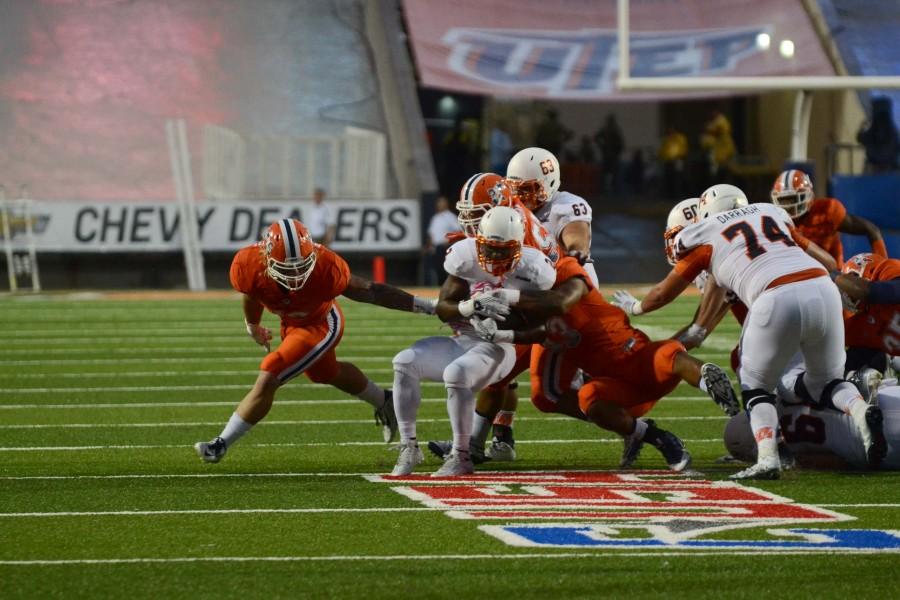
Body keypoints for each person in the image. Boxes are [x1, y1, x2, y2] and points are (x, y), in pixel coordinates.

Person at [610, 184, 882, 479]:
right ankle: (858, 411)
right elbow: (829, 263)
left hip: (775, 298)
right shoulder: (770, 214)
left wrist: (637, 308)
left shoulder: (706, 235)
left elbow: (666, 298)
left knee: (755, 385)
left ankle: (769, 458)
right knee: (826, 382)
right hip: (822, 289)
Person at [466, 254, 740, 472]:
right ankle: (655, 436)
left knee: (669, 354)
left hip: (634, 357)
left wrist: (510, 299)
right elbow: (527, 330)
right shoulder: (521, 301)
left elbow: (560, 301)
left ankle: (708, 381)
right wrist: (484, 319)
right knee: (587, 396)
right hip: (614, 383)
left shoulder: (564, 271)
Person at [194, 218, 437, 463]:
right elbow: (252, 293)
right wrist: (252, 325)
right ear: (266, 259)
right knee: (325, 372)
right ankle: (385, 401)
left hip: (321, 323)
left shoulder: (327, 266)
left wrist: (427, 306)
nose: (297, 274)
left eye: (302, 266)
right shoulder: (247, 265)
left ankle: (221, 443)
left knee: (271, 371)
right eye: (288, 268)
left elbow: (371, 291)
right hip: (290, 324)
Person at [390, 206, 556, 476]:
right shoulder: (465, 256)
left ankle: (462, 455)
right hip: (464, 339)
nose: (492, 255)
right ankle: (409, 446)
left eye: (502, 250)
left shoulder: (535, 268)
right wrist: (468, 308)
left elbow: (543, 328)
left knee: (456, 373)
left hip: (501, 347)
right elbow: (444, 306)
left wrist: (503, 330)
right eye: (488, 248)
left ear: (518, 246)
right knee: (404, 362)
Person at [427, 172, 559, 463]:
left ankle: (472, 444)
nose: (468, 222)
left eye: (475, 214)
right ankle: (497, 439)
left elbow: (528, 292)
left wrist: (491, 316)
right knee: (502, 376)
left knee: (507, 374)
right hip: (530, 298)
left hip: (544, 306)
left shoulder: (514, 234)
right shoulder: (507, 221)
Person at [486, 146, 596, 455]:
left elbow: (577, 238)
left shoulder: (566, 206)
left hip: (568, 303)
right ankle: (493, 437)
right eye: (516, 189)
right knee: (493, 363)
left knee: (550, 392)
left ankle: (631, 427)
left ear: (549, 183)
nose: (522, 196)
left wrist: (573, 255)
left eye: (529, 189)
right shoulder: (510, 209)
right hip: (531, 301)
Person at [724, 358, 895, 470]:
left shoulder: (783, 452)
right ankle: (856, 383)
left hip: (864, 448)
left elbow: (835, 462)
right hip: (878, 403)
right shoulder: (778, 396)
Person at [771, 169, 886, 267]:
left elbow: (871, 229)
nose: (788, 206)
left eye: (793, 199)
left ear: (808, 196)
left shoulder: (826, 211)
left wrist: (882, 267)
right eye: (783, 200)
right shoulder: (773, 220)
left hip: (832, 275)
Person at [833, 252, 900, 375]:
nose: (847, 292)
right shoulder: (864, 318)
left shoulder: (888, 269)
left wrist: (834, 276)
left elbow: (877, 291)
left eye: (850, 279)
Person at [857, 96, 900, 173]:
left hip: (874, 168)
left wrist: (863, 126)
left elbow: (860, 137)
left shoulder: (871, 132)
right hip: (890, 168)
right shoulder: (893, 132)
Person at [425, 195, 461, 286]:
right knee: (437, 269)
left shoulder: (450, 216)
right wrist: (429, 245)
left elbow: (458, 231)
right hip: (436, 248)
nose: (440, 204)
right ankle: (439, 287)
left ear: (446, 204)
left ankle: (448, 286)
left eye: (442, 202)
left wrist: (450, 242)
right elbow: (431, 234)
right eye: (439, 202)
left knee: (447, 269)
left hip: (446, 247)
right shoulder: (435, 218)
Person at [700, 109, 735, 185]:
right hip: (715, 159)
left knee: (725, 177)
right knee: (714, 177)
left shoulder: (725, 136)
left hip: (724, 160)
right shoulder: (714, 139)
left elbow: (729, 151)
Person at [595, 115, 624, 194]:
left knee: (613, 173)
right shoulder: (607, 130)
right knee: (606, 173)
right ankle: (605, 190)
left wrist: (617, 150)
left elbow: (620, 143)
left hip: (612, 155)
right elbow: (596, 137)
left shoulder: (613, 130)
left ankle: (613, 190)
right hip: (608, 154)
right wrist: (602, 146)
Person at [659, 126, 688, 199]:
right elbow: (663, 149)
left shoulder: (680, 138)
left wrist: (680, 156)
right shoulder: (667, 139)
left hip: (678, 160)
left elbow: (683, 148)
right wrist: (662, 157)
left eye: (671, 131)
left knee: (677, 178)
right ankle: (670, 195)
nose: (670, 132)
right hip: (668, 161)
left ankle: (678, 195)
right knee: (669, 178)